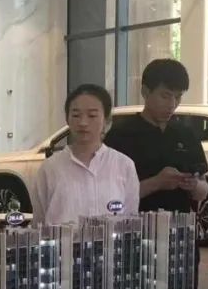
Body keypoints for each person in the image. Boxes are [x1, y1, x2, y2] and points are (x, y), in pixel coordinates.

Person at [104, 59, 208, 288]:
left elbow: (203, 190)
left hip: (180, 236)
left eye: (178, 97)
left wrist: (194, 186)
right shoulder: (120, 137)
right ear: (145, 92)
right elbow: (111, 199)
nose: (172, 104)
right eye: (165, 96)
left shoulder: (186, 134)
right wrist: (156, 183)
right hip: (135, 237)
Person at [30, 84, 139, 225]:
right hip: (61, 240)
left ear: (106, 120)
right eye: (76, 115)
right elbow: (39, 221)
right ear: (67, 119)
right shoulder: (50, 168)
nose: (83, 122)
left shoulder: (124, 165)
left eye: (92, 115)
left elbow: (130, 220)